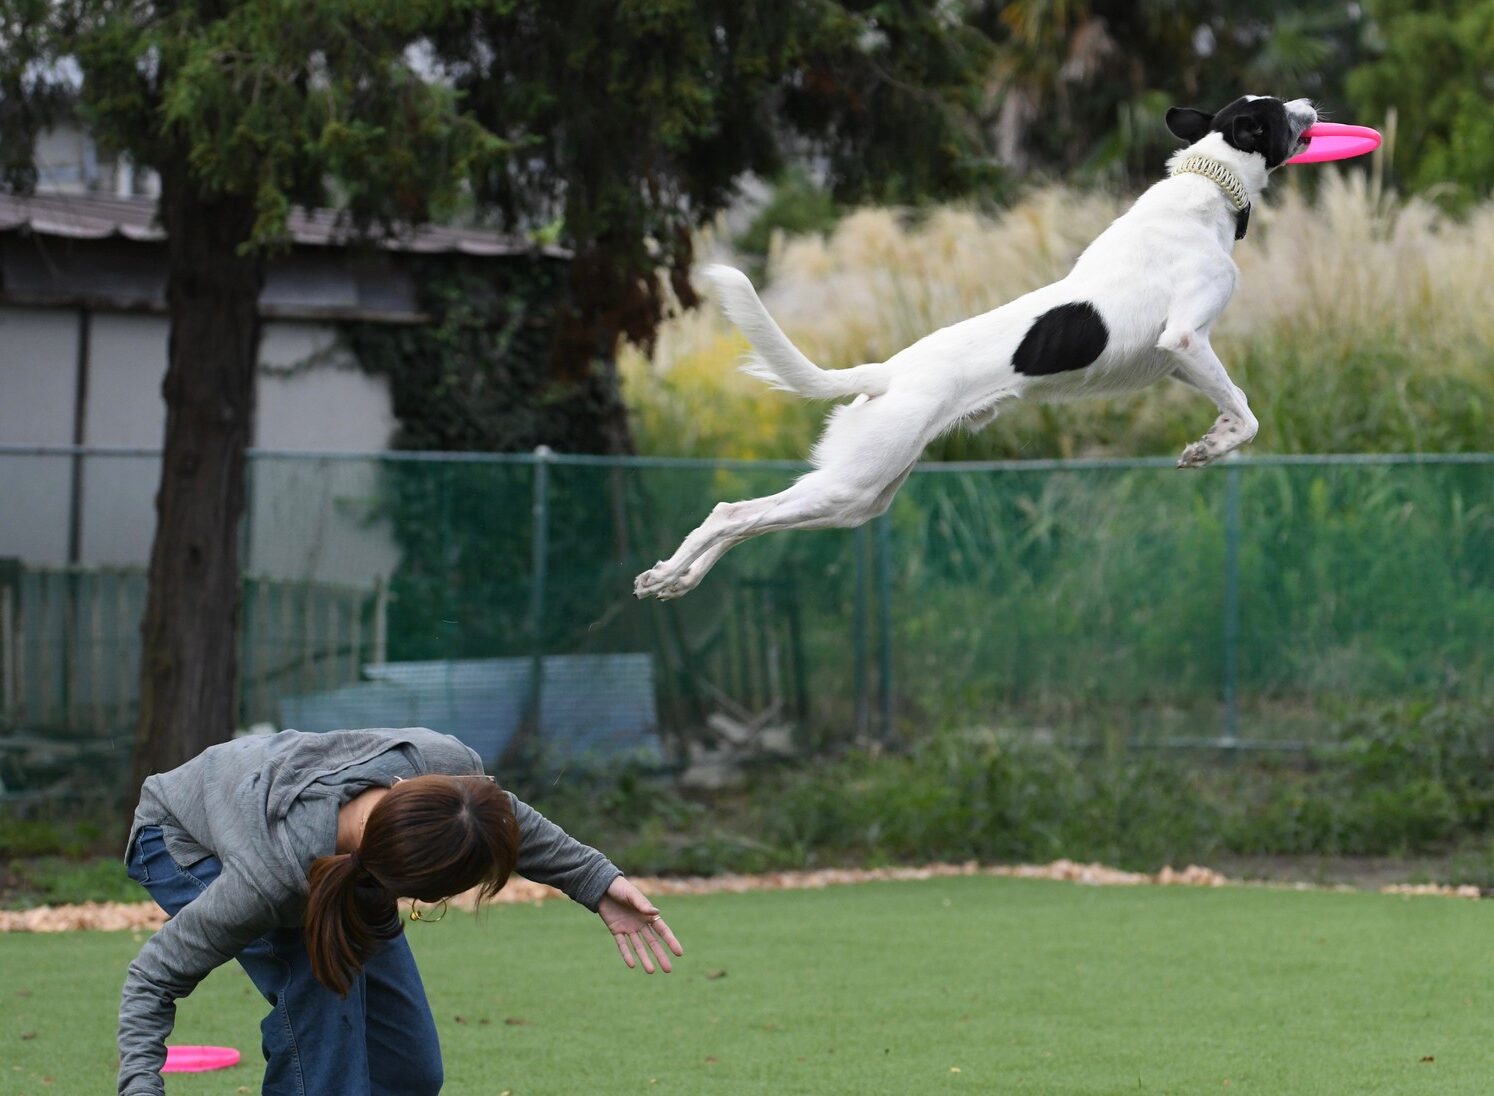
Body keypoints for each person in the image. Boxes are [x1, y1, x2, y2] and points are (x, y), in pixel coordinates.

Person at [117, 726, 682, 1095]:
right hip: (181, 836)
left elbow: (497, 815)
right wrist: (140, 1087)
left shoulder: (446, 769)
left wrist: (595, 880)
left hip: (300, 828)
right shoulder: (268, 880)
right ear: (392, 883)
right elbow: (153, 977)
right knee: (319, 993)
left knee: (409, 1068)